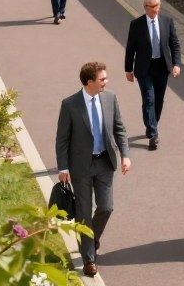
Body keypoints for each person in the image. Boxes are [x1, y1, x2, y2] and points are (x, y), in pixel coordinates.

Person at [55, 61, 131, 278]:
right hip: (81, 167)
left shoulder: (110, 98)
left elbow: (119, 129)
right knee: (83, 213)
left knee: (106, 207)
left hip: (105, 162)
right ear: (90, 82)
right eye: (102, 79)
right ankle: (89, 259)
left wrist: (125, 155)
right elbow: (62, 139)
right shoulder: (70, 104)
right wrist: (63, 167)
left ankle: (91, 237)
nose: (106, 82)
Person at [125, 0, 181, 150]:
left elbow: (174, 44)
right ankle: (154, 133)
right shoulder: (136, 25)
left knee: (158, 100)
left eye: (157, 6)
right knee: (149, 98)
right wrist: (128, 69)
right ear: (145, 7)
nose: (155, 9)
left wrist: (177, 64)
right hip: (144, 68)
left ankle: (151, 125)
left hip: (162, 67)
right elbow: (131, 48)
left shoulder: (167, 22)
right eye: (151, 7)